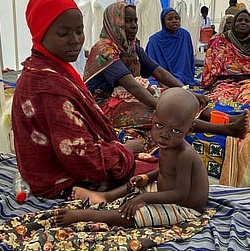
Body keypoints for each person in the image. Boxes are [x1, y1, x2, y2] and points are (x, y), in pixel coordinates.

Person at [12, 0, 156, 199]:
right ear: (40, 34)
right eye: (64, 34)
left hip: (58, 168)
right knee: (167, 174)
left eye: (80, 31)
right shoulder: (48, 86)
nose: (76, 40)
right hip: (62, 179)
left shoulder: (51, 70)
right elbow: (84, 160)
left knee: (165, 165)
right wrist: (124, 151)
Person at [85, 2, 250, 140]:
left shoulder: (131, 46)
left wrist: (187, 93)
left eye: (135, 20)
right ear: (115, 22)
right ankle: (227, 130)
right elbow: (132, 86)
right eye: (128, 21)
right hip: (103, 105)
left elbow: (159, 71)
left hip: (126, 94)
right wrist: (164, 106)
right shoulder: (104, 50)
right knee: (165, 115)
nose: (134, 25)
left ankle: (227, 119)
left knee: (177, 98)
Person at [54, 87, 209, 228]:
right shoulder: (168, 145)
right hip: (166, 193)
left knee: (133, 214)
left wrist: (146, 199)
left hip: (183, 207)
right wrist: (146, 177)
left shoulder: (184, 155)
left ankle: (85, 216)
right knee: (134, 183)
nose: (164, 135)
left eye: (175, 131)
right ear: (153, 119)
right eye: (159, 126)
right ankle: (105, 196)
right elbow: (165, 170)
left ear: (189, 130)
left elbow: (180, 193)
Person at [146, 8, 195, 86]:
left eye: (177, 18)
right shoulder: (154, 40)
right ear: (163, 22)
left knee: (179, 82)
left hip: (182, 75)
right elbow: (150, 64)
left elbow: (190, 57)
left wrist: (190, 74)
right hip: (160, 75)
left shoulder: (185, 35)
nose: (174, 21)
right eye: (170, 19)